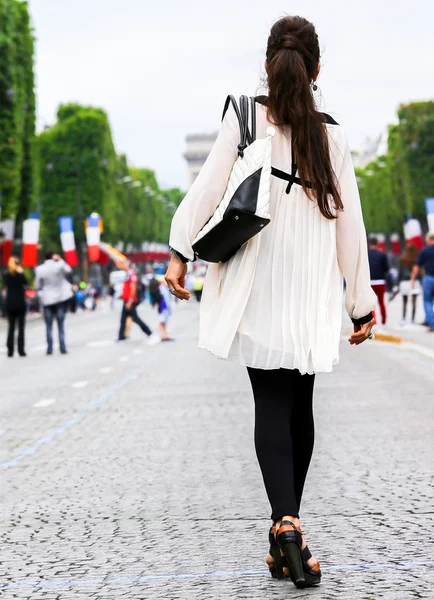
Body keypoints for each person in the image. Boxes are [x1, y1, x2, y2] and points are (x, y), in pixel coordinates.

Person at [166, 15, 376, 589]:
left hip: (259, 276)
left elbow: (208, 188)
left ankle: (284, 525)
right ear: (316, 70)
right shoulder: (330, 133)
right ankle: (289, 525)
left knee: (270, 404)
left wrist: (180, 251)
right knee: (300, 404)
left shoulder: (244, 116)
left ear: (266, 65)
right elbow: (349, 224)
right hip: (308, 281)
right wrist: (360, 303)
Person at [35, 251, 73, 355]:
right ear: (53, 256)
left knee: (48, 325)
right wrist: (60, 260)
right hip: (60, 298)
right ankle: (62, 347)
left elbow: (38, 284)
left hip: (47, 299)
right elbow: (69, 270)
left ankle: (50, 348)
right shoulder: (59, 265)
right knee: (60, 325)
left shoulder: (40, 269)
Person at [117, 262, 160, 344]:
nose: (122, 266)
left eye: (124, 264)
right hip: (126, 300)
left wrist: (130, 301)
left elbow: (133, 289)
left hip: (130, 301)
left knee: (136, 319)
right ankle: (121, 337)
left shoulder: (132, 275)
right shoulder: (127, 275)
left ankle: (149, 332)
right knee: (123, 319)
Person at [3, 256, 27, 357]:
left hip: (10, 304)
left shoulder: (6, 275)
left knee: (11, 328)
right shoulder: (19, 275)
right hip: (20, 303)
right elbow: (26, 283)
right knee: (20, 328)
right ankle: (21, 350)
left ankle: (10, 350)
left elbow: (5, 286)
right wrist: (21, 272)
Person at [411, 232, 434, 332]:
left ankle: (432, 324)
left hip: (428, 278)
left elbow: (417, 266)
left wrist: (412, 279)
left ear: (429, 239)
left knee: (427, 302)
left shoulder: (424, 251)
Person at [367, 236, 389, 326]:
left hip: (370, 281)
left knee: (371, 303)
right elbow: (386, 269)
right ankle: (383, 320)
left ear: (369, 244)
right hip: (380, 281)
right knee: (381, 302)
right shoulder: (382, 254)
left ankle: (374, 320)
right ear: (377, 244)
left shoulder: (366, 254)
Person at [398, 243, 420, 325]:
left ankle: (403, 318)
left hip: (404, 281)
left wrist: (398, 282)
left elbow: (400, 272)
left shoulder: (402, 258)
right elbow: (419, 271)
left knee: (405, 301)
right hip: (414, 281)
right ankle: (412, 319)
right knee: (414, 301)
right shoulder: (416, 259)